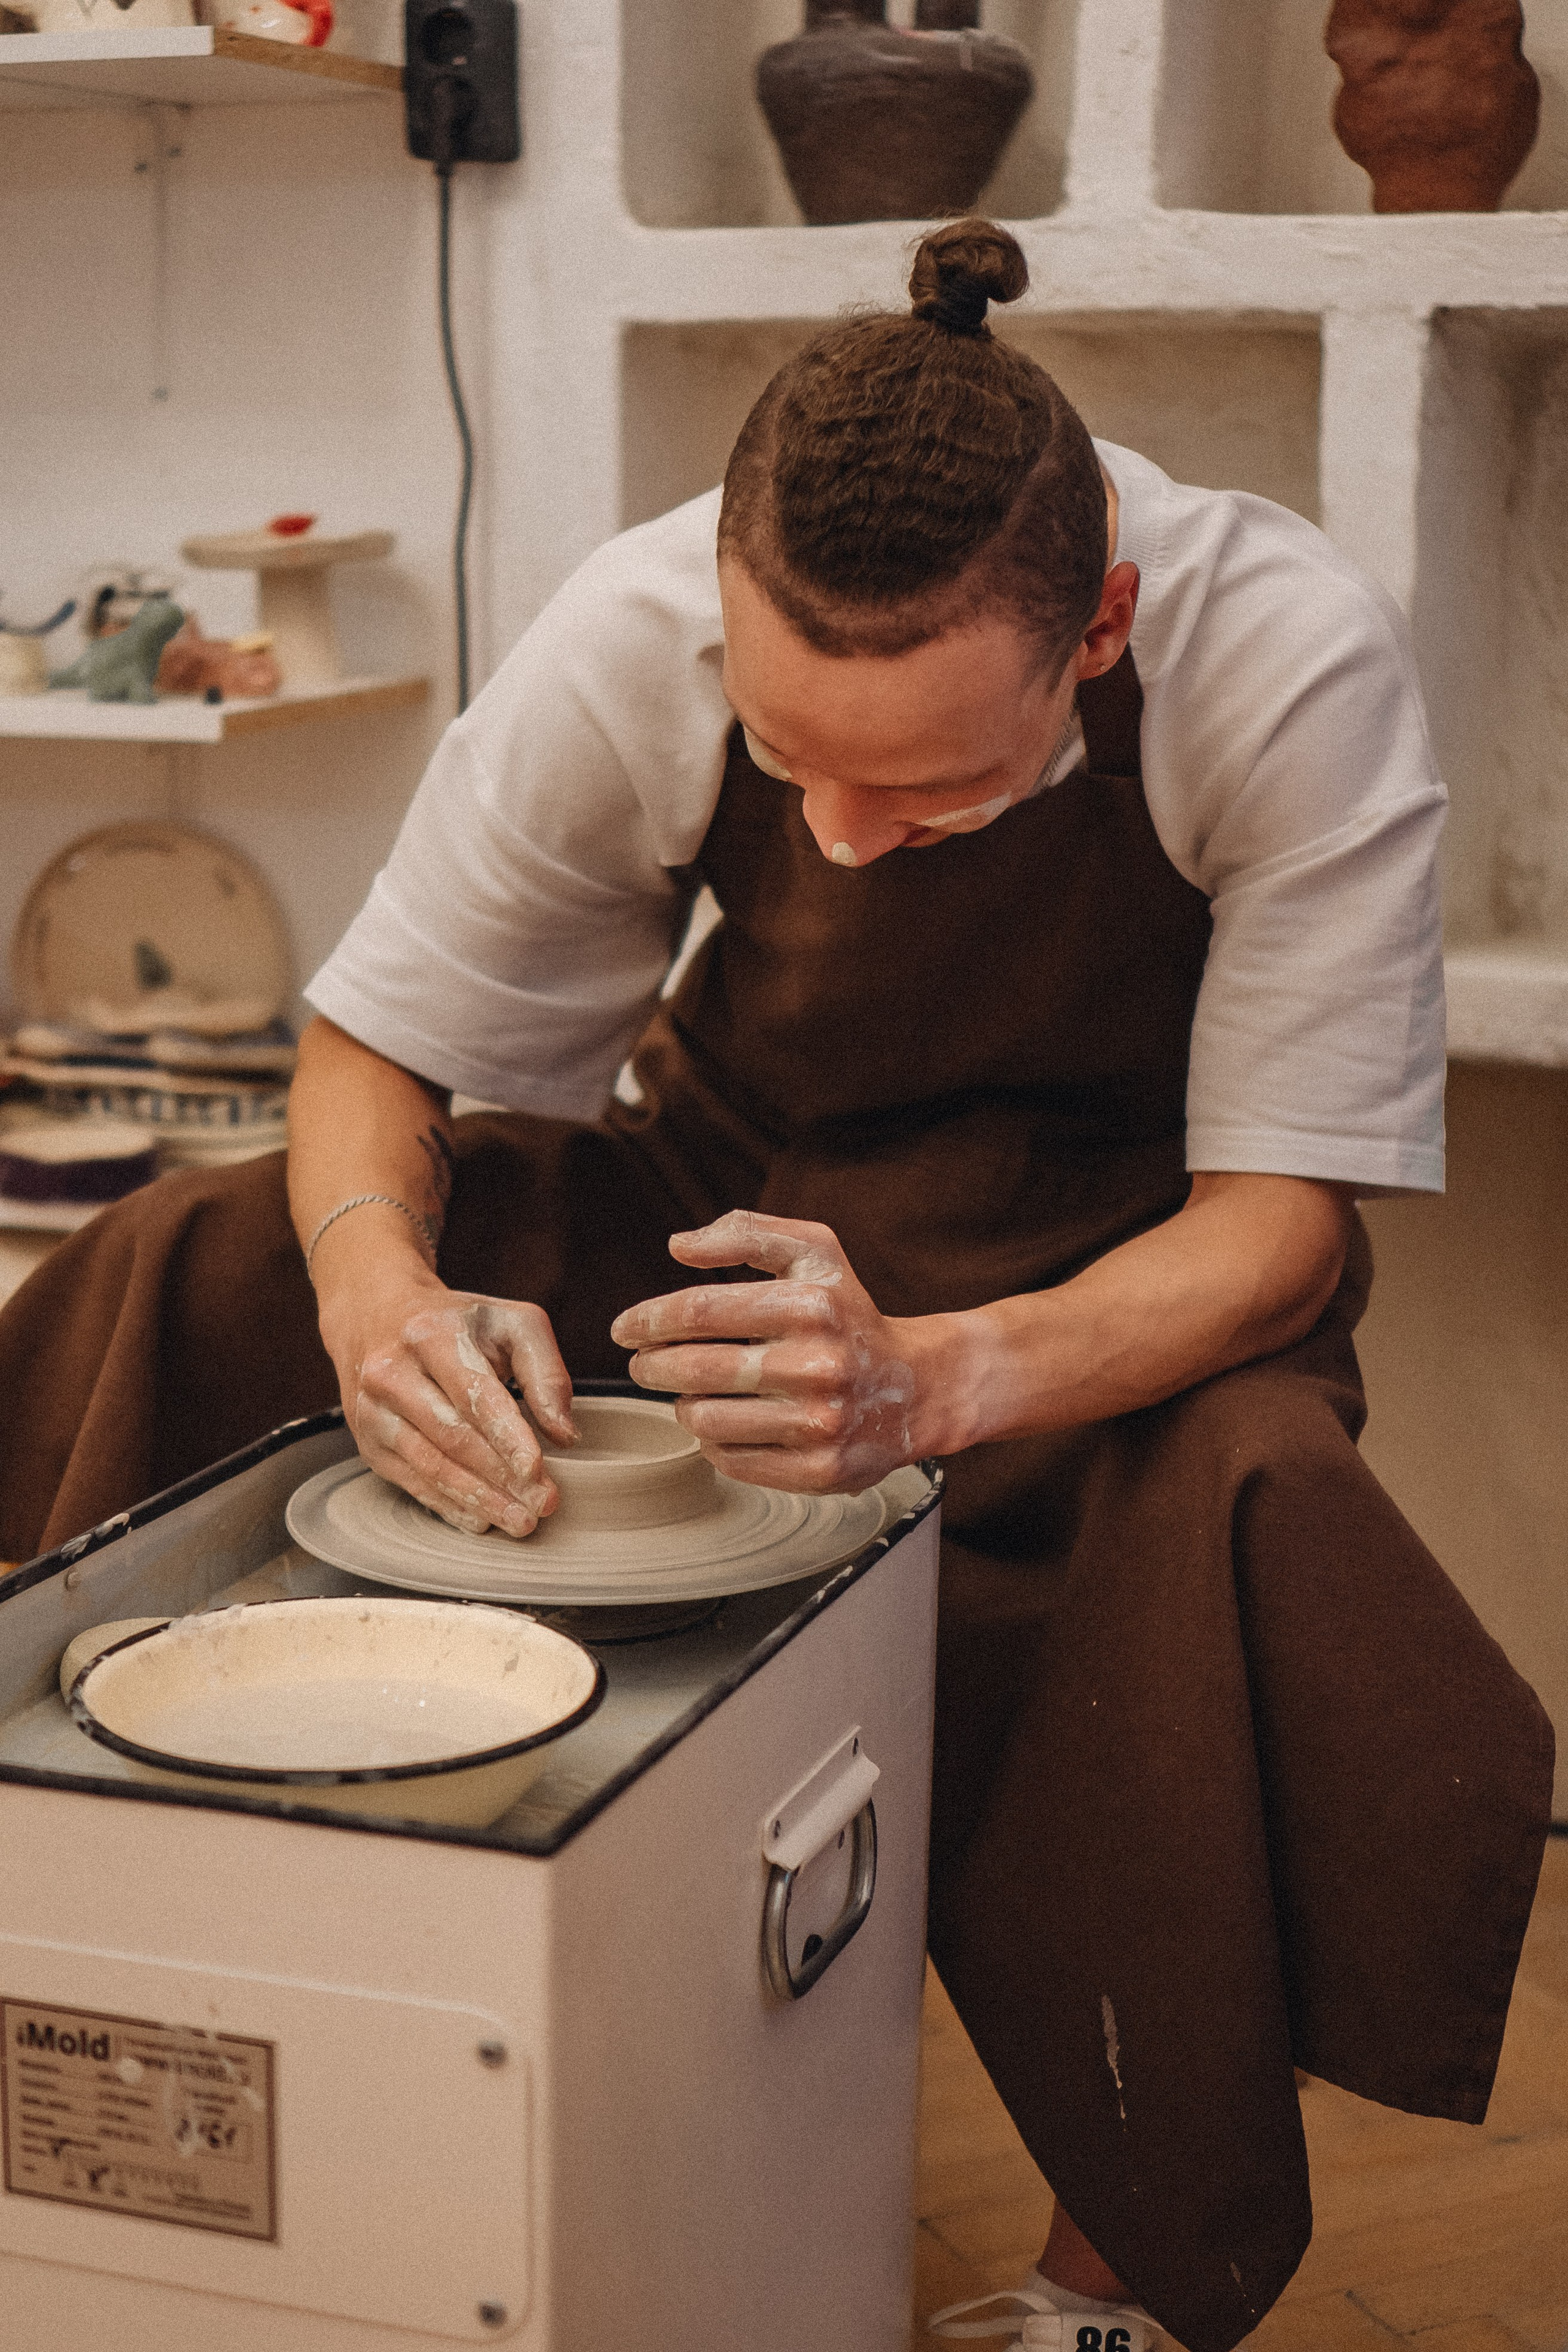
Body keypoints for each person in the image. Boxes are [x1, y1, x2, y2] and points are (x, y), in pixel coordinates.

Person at [0, 222, 1551, 2352]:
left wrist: (930, 1383)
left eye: (921, 786)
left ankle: (1116, 2282)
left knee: (1249, 1491)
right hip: (735, 1198)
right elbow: (374, 1053)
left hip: (1106, 1273)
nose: (828, 831)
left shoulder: (1277, 654)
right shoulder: (637, 621)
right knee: (206, 1249)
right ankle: (97, 1929)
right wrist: (380, 1299)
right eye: (785, 751)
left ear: (1095, 629)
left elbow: (1283, 1223)